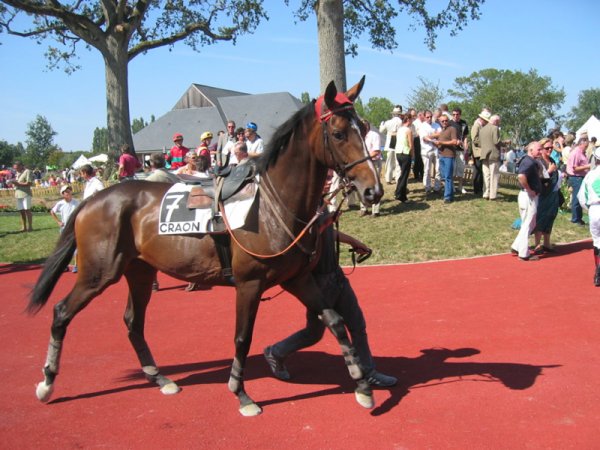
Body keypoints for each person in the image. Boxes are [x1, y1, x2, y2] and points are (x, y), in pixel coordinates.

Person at [263, 212, 397, 388]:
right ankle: (276, 352)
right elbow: (303, 236)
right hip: (317, 284)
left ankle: (368, 372)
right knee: (314, 333)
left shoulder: (321, 204)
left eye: (327, 181)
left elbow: (329, 232)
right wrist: (325, 222)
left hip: (337, 276)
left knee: (357, 325)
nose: (326, 184)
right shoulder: (301, 207)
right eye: (323, 182)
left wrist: (352, 241)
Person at [510, 141, 543, 261]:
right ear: (531, 150)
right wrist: (529, 189)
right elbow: (521, 176)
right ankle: (524, 253)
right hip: (528, 196)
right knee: (528, 224)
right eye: (539, 149)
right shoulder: (528, 162)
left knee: (530, 223)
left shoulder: (531, 161)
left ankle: (516, 246)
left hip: (529, 196)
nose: (541, 151)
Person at [533, 138, 562, 254]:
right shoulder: (538, 162)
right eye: (547, 148)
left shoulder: (552, 160)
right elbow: (537, 179)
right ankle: (537, 244)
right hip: (542, 194)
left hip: (553, 193)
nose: (550, 149)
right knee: (541, 218)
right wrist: (549, 171)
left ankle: (546, 242)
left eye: (551, 147)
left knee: (550, 217)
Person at [576, 144, 600, 286]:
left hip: (595, 210)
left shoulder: (590, 175)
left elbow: (582, 198)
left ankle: (598, 272)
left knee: (597, 241)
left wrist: (589, 209)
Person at [50, 184, 80, 272]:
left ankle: (76, 265)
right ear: (63, 194)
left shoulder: (76, 202)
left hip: (74, 227)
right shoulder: (60, 203)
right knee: (65, 248)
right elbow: (52, 211)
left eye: (69, 191)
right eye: (66, 192)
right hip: (64, 228)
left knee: (76, 248)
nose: (68, 193)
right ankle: (64, 265)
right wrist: (58, 221)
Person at [566, 135, 591, 226]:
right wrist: (587, 166)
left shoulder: (582, 152)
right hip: (576, 177)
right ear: (581, 144)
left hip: (580, 177)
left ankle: (578, 218)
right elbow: (575, 168)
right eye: (585, 146)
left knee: (580, 197)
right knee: (577, 198)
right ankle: (575, 219)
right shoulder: (576, 153)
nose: (587, 147)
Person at [359, 119, 382, 217]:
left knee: (375, 186)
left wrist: (364, 158)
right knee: (362, 186)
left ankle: (375, 211)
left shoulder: (374, 135)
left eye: (364, 127)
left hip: (374, 162)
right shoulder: (359, 136)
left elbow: (376, 151)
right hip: (363, 164)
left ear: (367, 126)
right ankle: (364, 208)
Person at [435, 114, 460, 203]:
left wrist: (441, 142)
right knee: (444, 176)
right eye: (443, 121)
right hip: (441, 155)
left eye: (446, 120)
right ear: (440, 122)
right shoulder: (442, 130)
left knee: (448, 176)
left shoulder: (452, 129)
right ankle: (449, 194)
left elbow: (454, 141)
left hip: (449, 156)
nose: (445, 122)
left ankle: (447, 197)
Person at [479, 114, 502, 200]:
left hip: (484, 154)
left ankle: (485, 193)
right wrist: (505, 143)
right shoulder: (495, 128)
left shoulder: (482, 129)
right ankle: (493, 195)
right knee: (494, 175)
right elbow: (496, 142)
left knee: (486, 175)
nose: (499, 124)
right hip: (493, 154)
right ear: (496, 121)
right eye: (498, 122)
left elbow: (480, 143)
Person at [419, 110, 441, 194]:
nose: (429, 118)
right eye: (427, 117)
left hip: (436, 149)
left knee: (438, 169)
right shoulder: (422, 126)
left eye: (430, 117)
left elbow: (440, 134)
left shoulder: (436, 125)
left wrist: (430, 136)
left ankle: (437, 187)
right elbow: (424, 138)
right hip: (426, 150)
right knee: (427, 170)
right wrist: (434, 137)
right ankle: (427, 187)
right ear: (424, 117)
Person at [393, 113, 414, 203]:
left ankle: (399, 192)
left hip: (398, 153)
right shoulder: (408, 130)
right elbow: (410, 144)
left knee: (402, 174)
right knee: (405, 175)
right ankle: (400, 195)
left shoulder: (400, 130)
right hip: (405, 153)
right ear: (408, 120)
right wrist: (412, 155)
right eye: (411, 119)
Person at [380, 105, 402, 184]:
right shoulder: (401, 122)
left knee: (389, 161)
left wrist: (381, 124)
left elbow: (381, 130)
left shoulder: (388, 122)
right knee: (397, 161)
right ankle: (397, 178)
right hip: (398, 142)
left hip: (390, 142)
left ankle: (388, 178)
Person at [470, 109, 491, 196]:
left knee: (481, 171)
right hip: (478, 152)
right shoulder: (476, 126)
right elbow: (475, 139)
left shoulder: (481, 126)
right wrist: (485, 144)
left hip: (482, 151)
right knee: (477, 170)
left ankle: (480, 188)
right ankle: (476, 189)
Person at [9, 161, 34, 232]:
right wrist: (12, 183)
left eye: (16, 168)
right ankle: (24, 227)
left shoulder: (27, 171)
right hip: (18, 194)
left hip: (26, 194)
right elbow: (17, 183)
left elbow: (28, 183)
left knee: (27, 210)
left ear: (21, 166)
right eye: (14, 168)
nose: (15, 169)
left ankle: (30, 227)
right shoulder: (17, 173)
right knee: (21, 211)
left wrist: (17, 183)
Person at [450, 108, 469, 195]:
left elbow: (465, 136)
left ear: (460, 115)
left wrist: (465, 146)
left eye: (457, 114)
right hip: (452, 149)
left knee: (461, 169)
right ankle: (452, 186)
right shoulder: (449, 123)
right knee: (453, 169)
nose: (455, 116)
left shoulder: (463, 123)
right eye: (454, 114)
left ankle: (460, 186)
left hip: (461, 149)